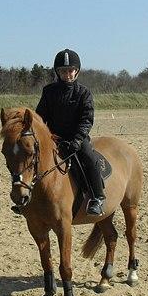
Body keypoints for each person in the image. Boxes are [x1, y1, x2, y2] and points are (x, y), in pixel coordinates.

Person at [36, 49, 105, 215]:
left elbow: (86, 120)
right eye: (63, 71)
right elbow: (39, 118)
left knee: (89, 158)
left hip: (77, 140)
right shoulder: (49, 92)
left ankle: (97, 197)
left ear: (77, 71)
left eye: (70, 71)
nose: (67, 74)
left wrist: (77, 140)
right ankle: (26, 198)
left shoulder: (84, 93)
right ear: (57, 72)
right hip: (54, 139)